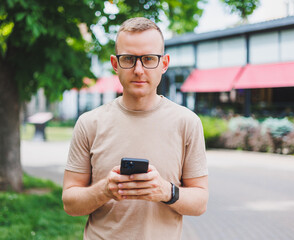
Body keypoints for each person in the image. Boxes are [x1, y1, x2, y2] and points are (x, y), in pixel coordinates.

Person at [62, 17, 209, 240]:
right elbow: (70, 204)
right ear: (115, 64)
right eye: (129, 59)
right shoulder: (89, 123)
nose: (138, 70)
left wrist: (165, 191)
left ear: (164, 63)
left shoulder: (187, 122)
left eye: (149, 59)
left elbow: (199, 203)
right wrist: (105, 190)